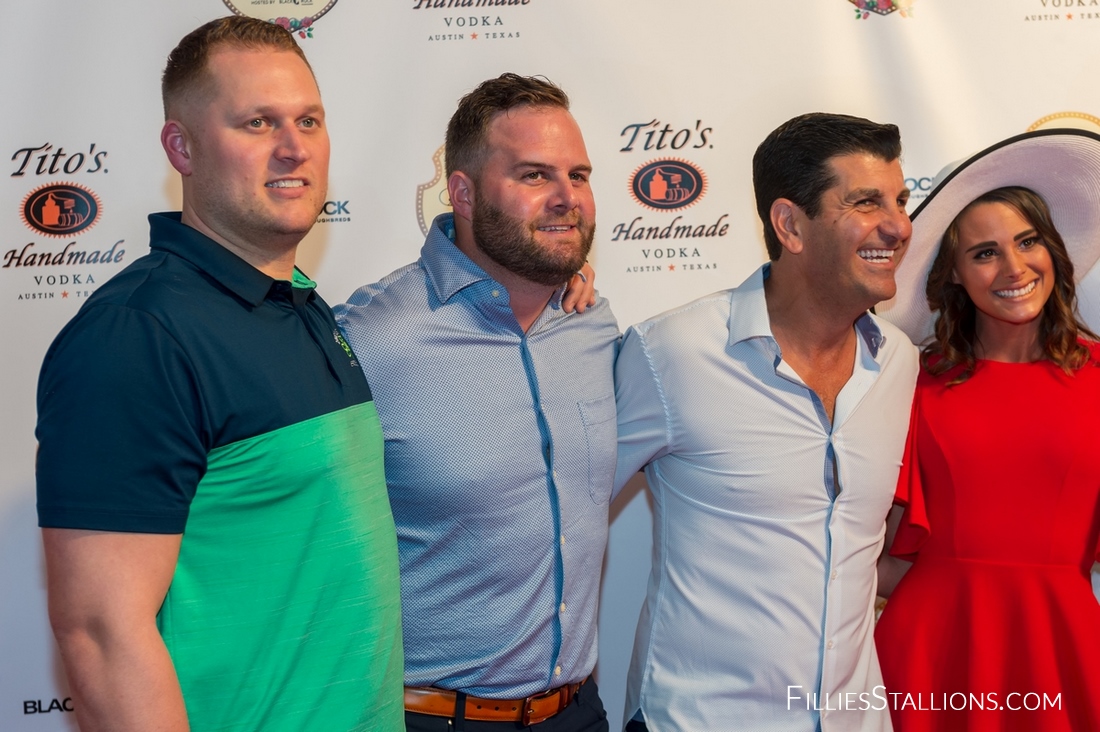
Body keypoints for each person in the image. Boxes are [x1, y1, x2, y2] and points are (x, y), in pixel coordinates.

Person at [35, 17, 403, 731]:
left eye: (308, 120)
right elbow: (102, 635)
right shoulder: (136, 336)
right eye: (258, 123)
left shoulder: (301, 304)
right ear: (182, 147)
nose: (294, 147)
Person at [613, 112, 918, 732]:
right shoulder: (671, 352)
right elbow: (564, 514)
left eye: (900, 201)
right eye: (866, 202)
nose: (898, 226)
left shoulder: (899, 362)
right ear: (790, 225)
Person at [336, 73, 618, 732]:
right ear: (461, 193)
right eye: (534, 175)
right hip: (431, 718)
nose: (566, 197)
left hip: (578, 712)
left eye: (578, 175)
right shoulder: (369, 339)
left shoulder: (593, 324)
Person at [874, 129, 1100, 731]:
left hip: (1062, 648)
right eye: (984, 253)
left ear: (1053, 249)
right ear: (954, 274)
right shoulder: (911, 382)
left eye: (1028, 241)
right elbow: (875, 550)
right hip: (932, 651)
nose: (1014, 267)